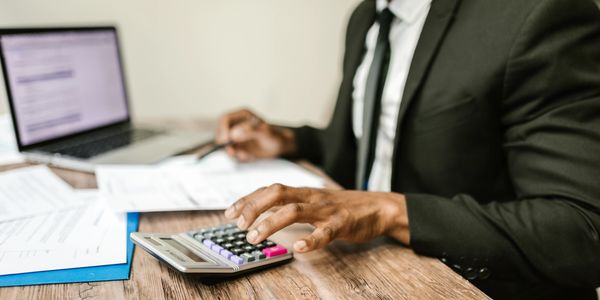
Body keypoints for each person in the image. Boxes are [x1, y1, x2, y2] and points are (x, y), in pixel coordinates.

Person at [215, 0, 600, 298]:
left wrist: (390, 211)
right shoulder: (366, 17)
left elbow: (583, 230)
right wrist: (290, 140)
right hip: (363, 271)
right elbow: (373, 145)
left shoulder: (538, 13)